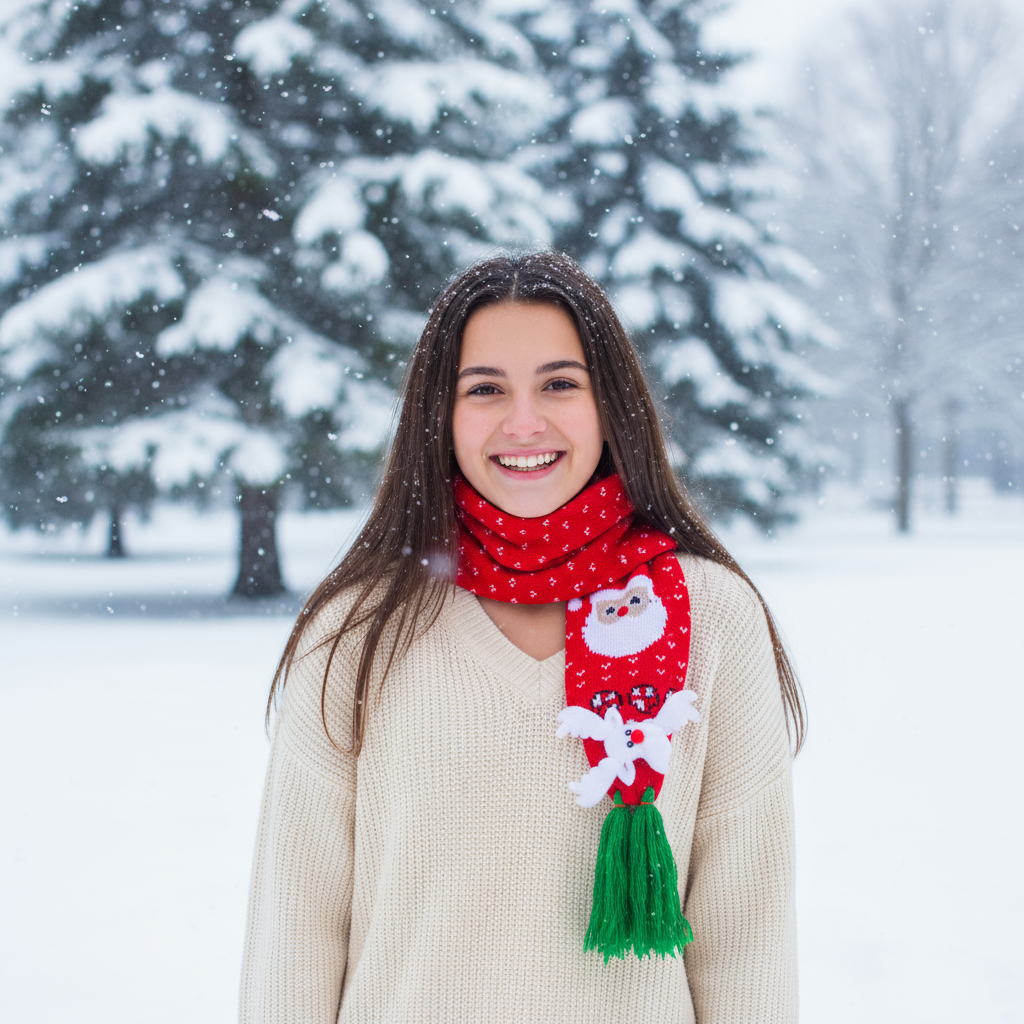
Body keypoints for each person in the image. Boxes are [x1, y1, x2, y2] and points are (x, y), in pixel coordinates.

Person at [239, 251, 803, 1024]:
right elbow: (295, 929)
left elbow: (748, 933)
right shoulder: (356, 629)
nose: (524, 421)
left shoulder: (712, 617)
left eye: (560, 384)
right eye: (485, 390)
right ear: (440, 413)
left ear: (612, 404)